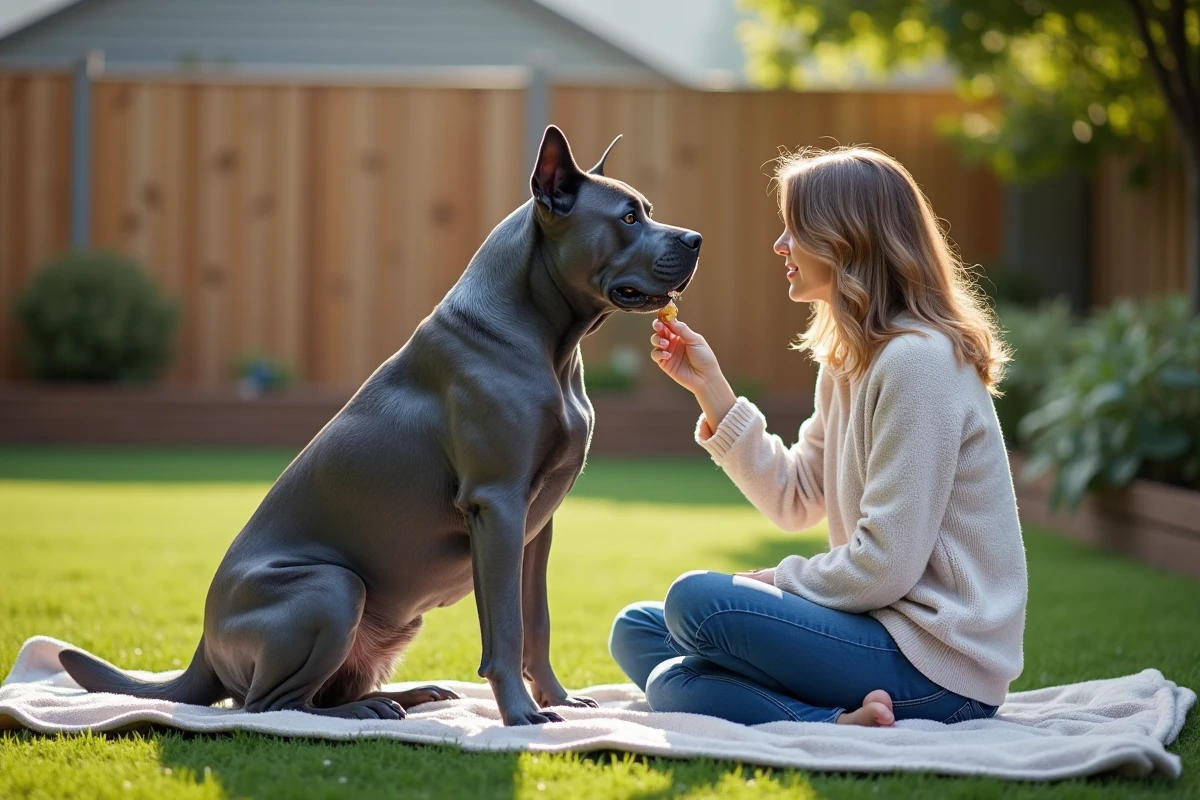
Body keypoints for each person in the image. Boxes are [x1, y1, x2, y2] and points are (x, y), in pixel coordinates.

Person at [608, 147, 1028, 727]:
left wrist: (775, 581)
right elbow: (797, 497)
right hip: (875, 631)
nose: (781, 246)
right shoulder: (850, 361)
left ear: (846, 238)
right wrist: (712, 390)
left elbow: (886, 565)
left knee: (694, 607)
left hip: (939, 666)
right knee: (639, 631)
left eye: (794, 230)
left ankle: (824, 721)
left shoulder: (918, 362)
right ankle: (835, 713)